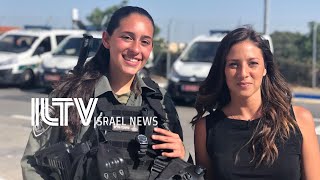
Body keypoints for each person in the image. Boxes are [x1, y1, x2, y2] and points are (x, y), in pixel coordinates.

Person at [21, 6, 190, 180]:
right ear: (107, 40)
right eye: (127, 37)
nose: (136, 49)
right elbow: (33, 163)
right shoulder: (70, 95)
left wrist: (183, 155)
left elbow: (180, 169)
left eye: (144, 42)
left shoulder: (159, 101)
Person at [192, 27, 320, 180]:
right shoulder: (205, 128)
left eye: (252, 63)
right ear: (223, 70)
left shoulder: (299, 119)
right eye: (233, 64)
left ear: (265, 68)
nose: (243, 73)